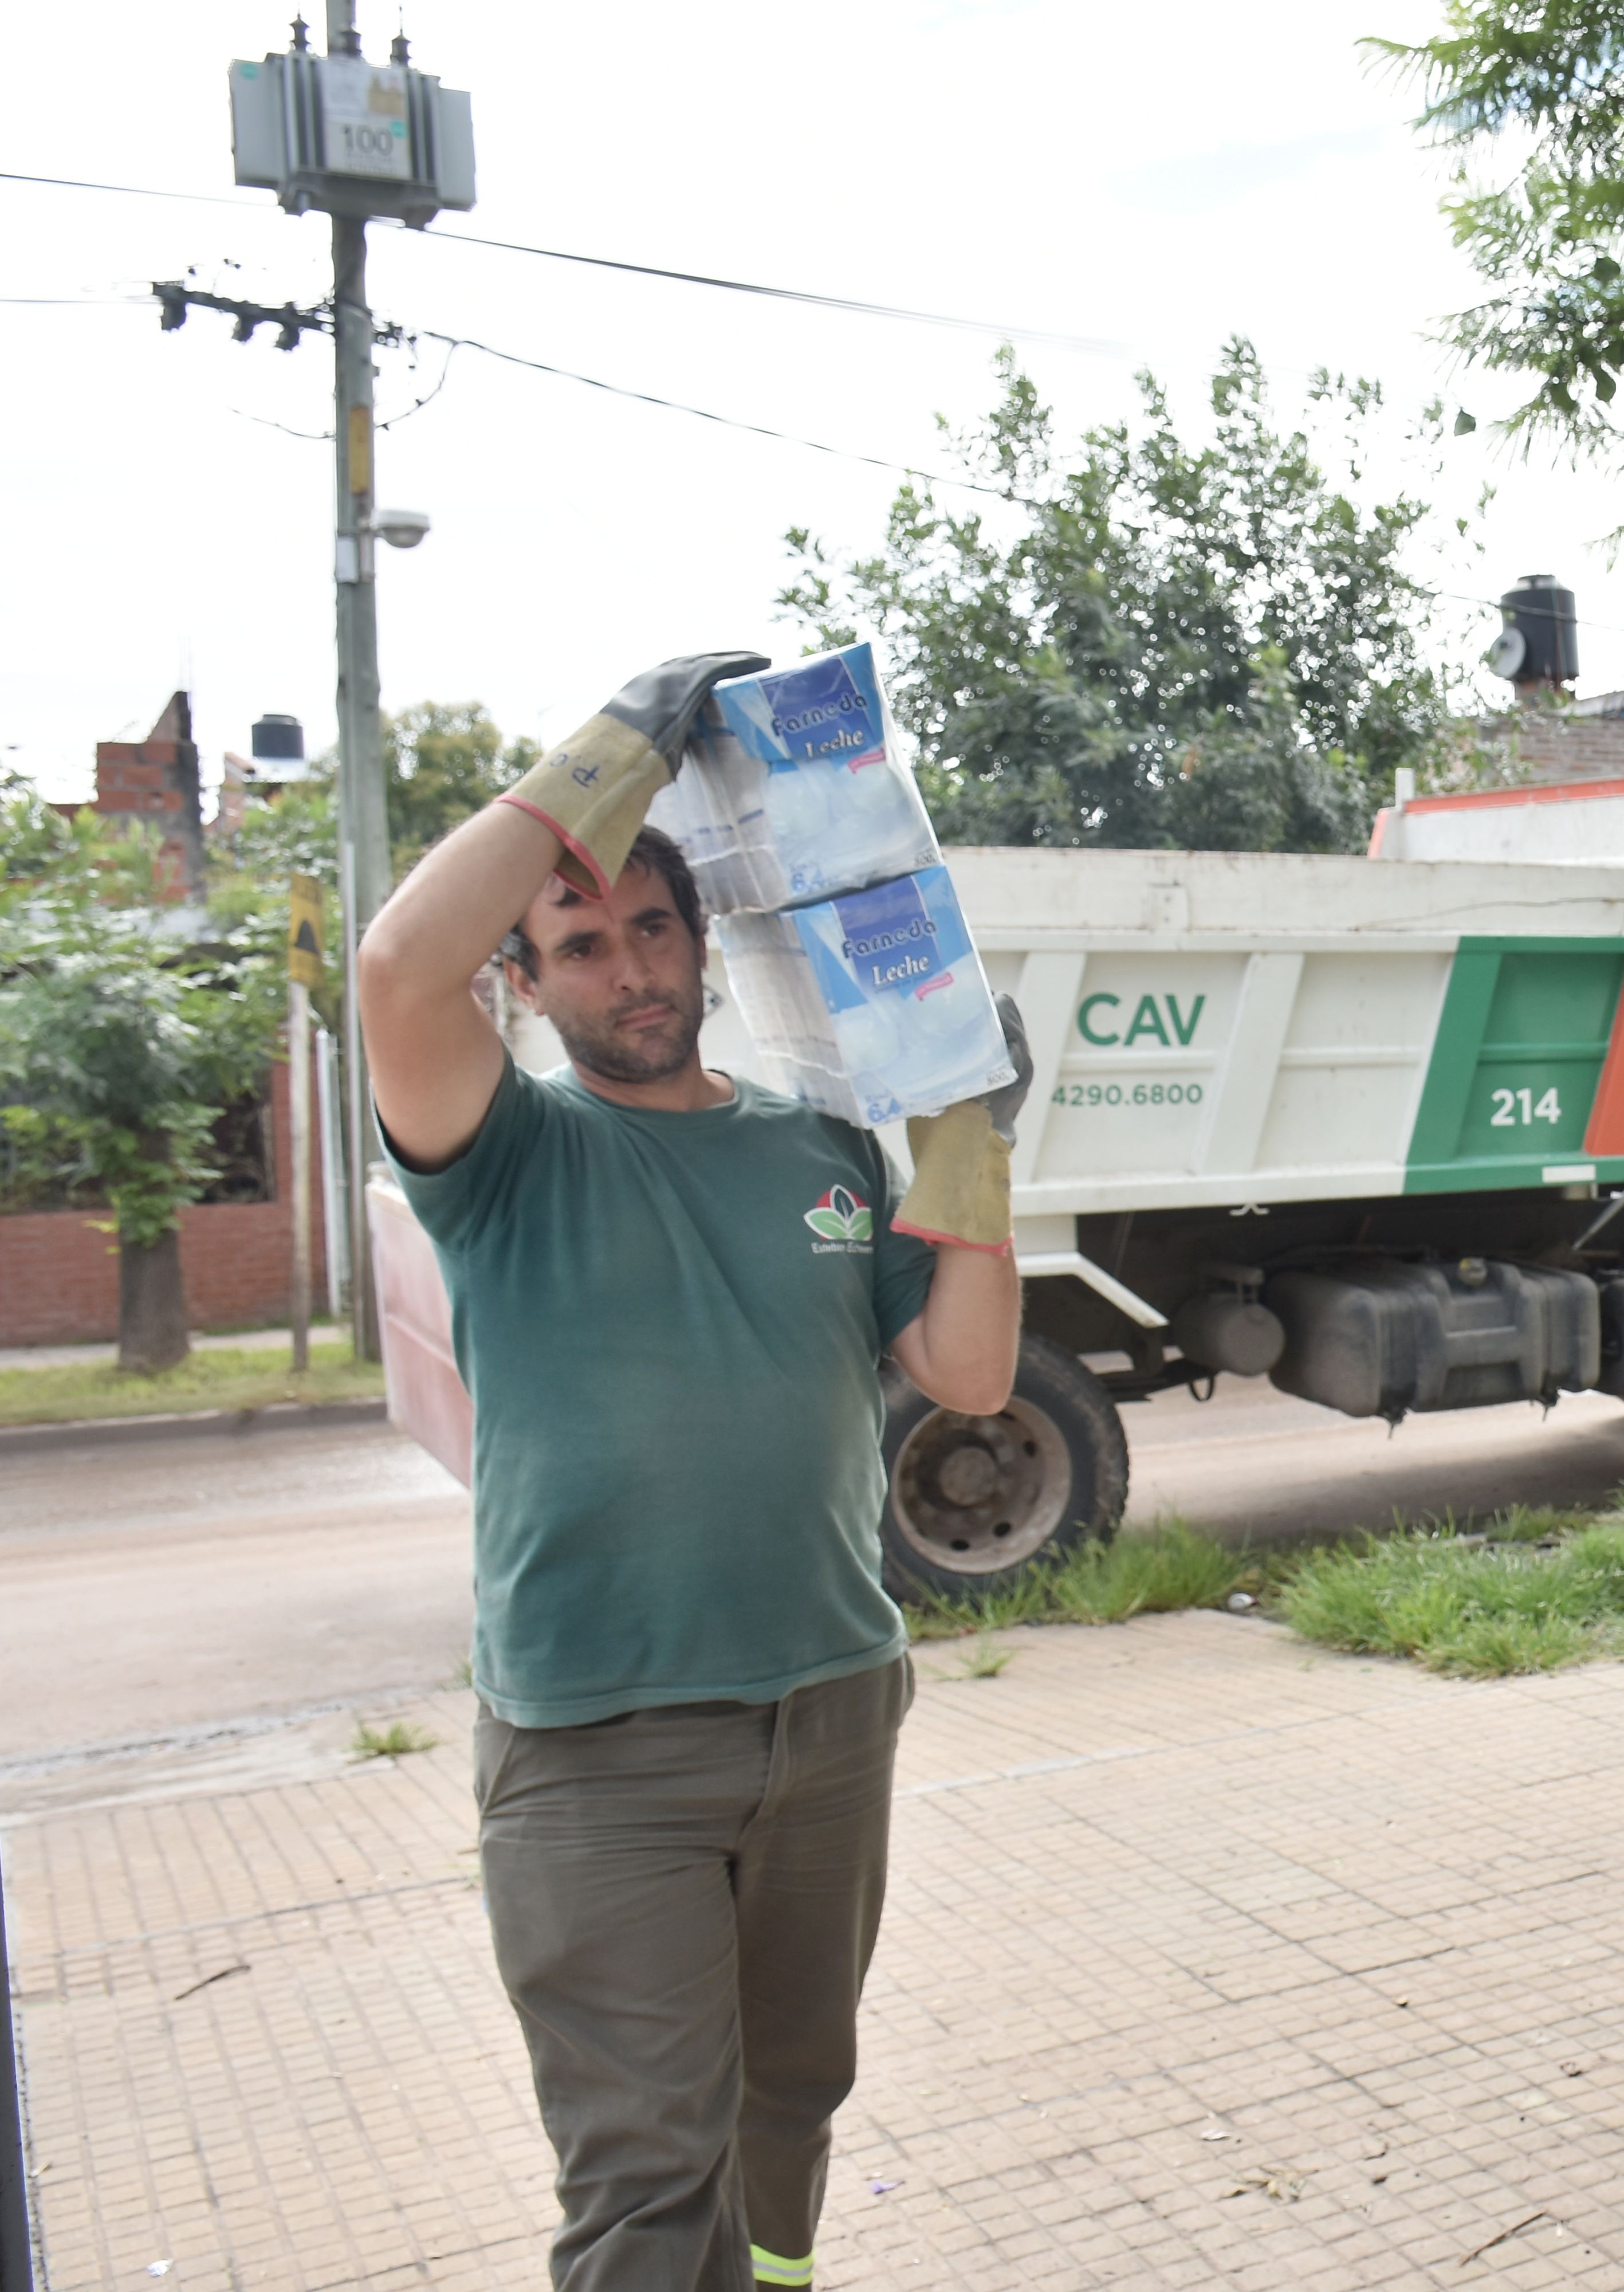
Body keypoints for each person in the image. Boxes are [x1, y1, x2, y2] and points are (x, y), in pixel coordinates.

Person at [357, 652, 1027, 2291]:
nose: (630, 966)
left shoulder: (816, 1149)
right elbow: (392, 968)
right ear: (523, 982)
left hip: (831, 1711)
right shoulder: (504, 1154)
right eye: (580, 942)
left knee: (791, 2104)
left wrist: (973, 1144)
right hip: (601, 1750)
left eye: (654, 927)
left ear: (705, 940)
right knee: (652, 2190)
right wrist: (612, 752)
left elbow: (971, 1372)